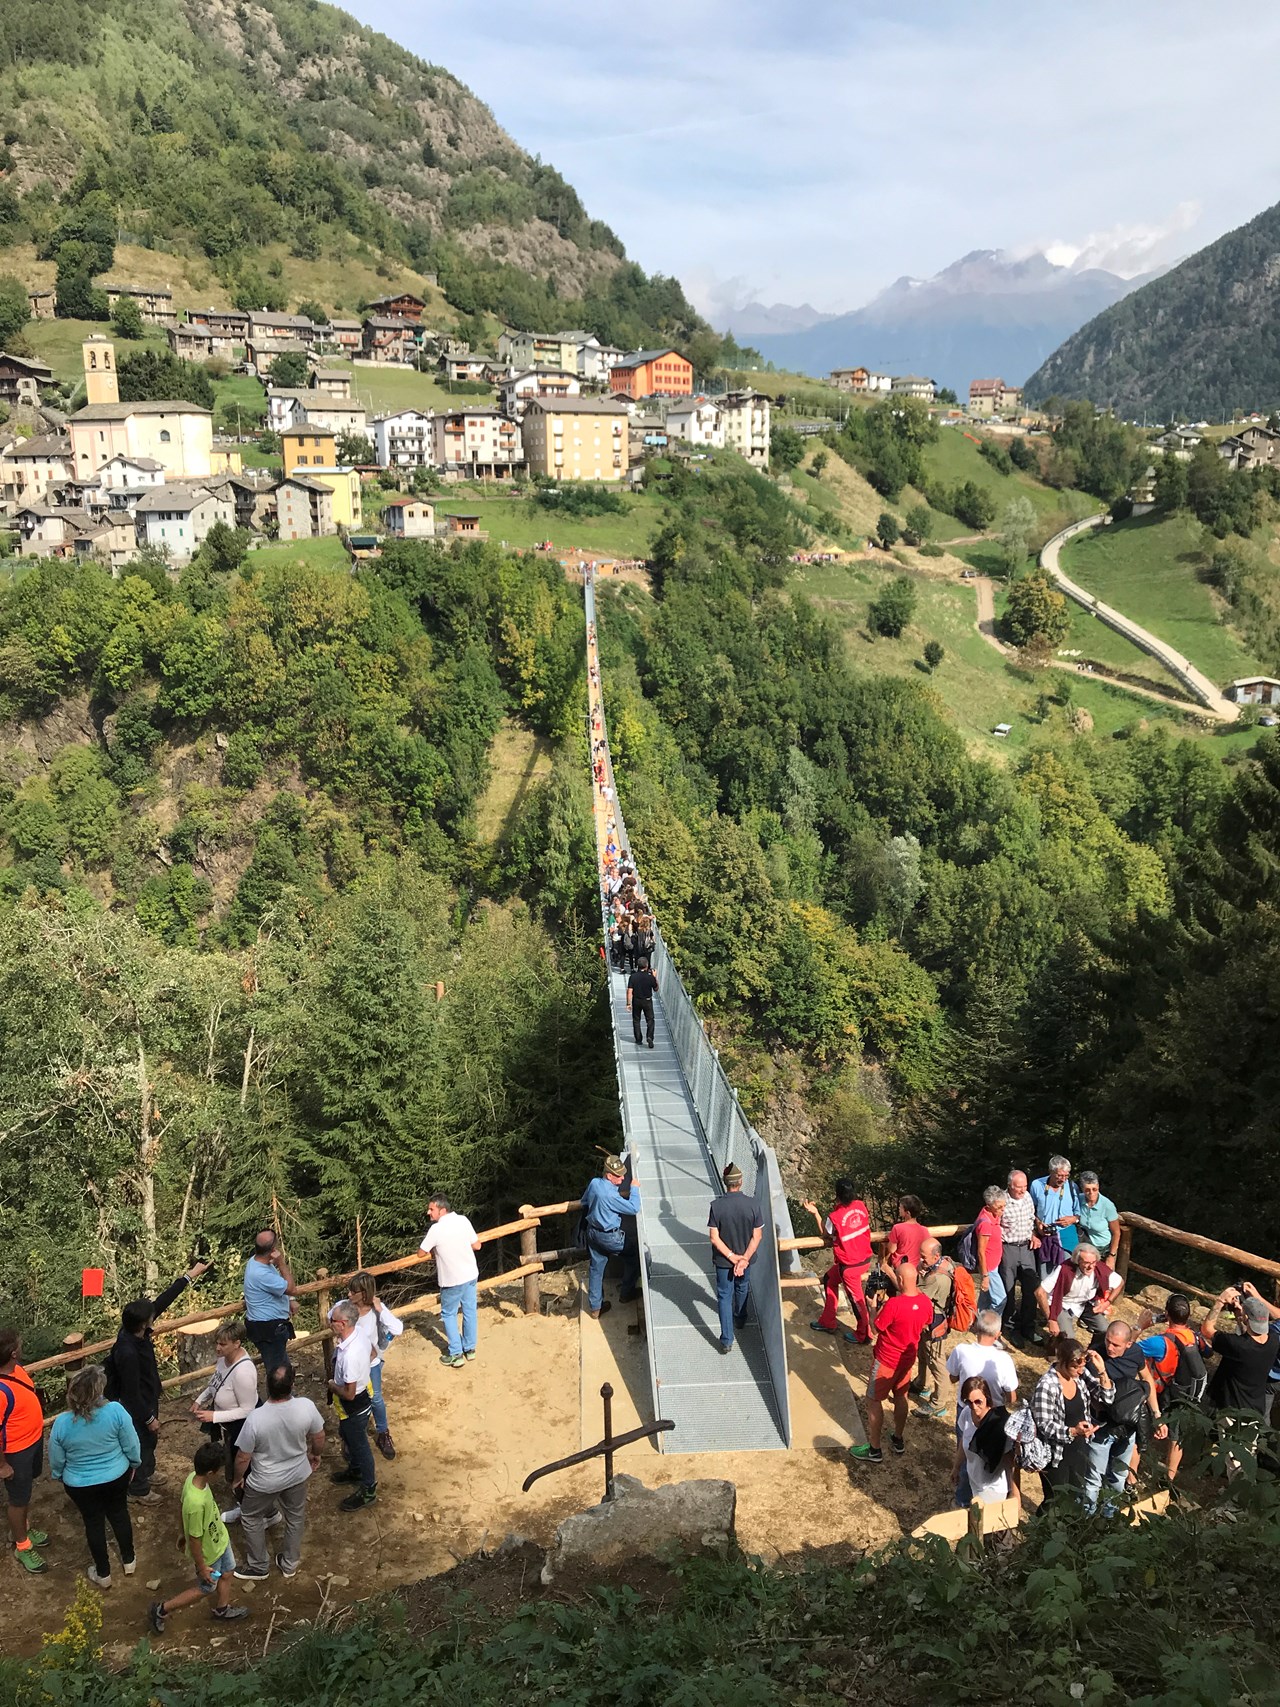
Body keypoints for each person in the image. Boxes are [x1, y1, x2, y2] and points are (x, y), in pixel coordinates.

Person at [105, 1258, 212, 1500]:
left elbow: (162, 1301)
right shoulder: (127, 1352)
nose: (155, 1314)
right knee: (141, 1441)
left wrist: (189, 1275)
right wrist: (149, 1417)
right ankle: (138, 1489)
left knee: (149, 1441)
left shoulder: (134, 1330)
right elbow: (131, 1393)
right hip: (137, 1405)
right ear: (144, 1323)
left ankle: (146, 1473)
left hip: (147, 1396)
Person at [48, 1365, 140, 1589]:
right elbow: (131, 1443)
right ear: (98, 1391)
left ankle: (103, 1573)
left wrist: (59, 1475)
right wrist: (134, 1464)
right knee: (119, 1514)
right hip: (116, 1475)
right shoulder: (116, 1411)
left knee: (93, 1523)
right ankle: (129, 1561)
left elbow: (56, 1459)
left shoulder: (61, 1423)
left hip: (79, 1483)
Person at [232, 1364, 326, 1581]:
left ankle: (258, 1565)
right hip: (297, 1474)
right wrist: (316, 1455)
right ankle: (289, 1563)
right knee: (295, 1517)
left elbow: (243, 1457)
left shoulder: (256, 1418)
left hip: (265, 1480)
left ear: (267, 1387)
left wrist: (238, 1479)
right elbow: (319, 1436)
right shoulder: (306, 1406)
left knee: (250, 1515)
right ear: (292, 1385)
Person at [147, 1441, 249, 1633]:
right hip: (209, 1553)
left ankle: (222, 1609)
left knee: (228, 1572)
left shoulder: (193, 1478)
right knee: (206, 1587)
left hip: (220, 1540)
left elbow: (180, 1507)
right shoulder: (196, 1503)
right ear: (211, 1472)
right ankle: (161, 1610)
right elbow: (195, 1538)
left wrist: (181, 1532)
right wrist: (202, 1567)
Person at [850, 1264, 934, 1465]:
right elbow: (925, 1324)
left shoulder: (894, 1305)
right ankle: (897, 1438)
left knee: (873, 1400)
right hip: (907, 1359)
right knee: (901, 1396)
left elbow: (876, 1327)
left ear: (901, 1280)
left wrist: (872, 1308)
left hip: (886, 1360)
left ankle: (874, 1449)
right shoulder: (925, 1302)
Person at [1087, 1321, 1166, 1511]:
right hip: (1102, 1428)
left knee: (1118, 1476)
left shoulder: (1135, 1352)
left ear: (1128, 1344)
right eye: (1108, 1342)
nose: (1110, 1348)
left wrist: (1157, 1415)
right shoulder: (1096, 1356)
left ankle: (1109, 1516)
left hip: (1129, 1427)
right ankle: (1085, 1521)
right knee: (1093, 1479)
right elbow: (1094, 1396)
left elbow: (1147, 1379)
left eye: (1116, 1345)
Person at [942, 1310, 1019, 1502]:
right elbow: (1011, 1396)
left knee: (967, 1450)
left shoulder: (961, 1350)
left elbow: (952, 1377)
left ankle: (962, 1499)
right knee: (990, 1460)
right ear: (998, 1334)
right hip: (995, 1416)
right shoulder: (1003, 1359)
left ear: (976, 1328)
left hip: (965, 1409)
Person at [1030, 1337, 1114, 1509]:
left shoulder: (1081, 1376)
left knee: (1074, 1497)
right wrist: (1073, 1431)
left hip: (1079, 1450)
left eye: (1082, 1366)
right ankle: (1040, 1534)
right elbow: (1044, 1424)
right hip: (1055, 1454)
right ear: (1062, 1362)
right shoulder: (1047, 1385)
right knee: (1055, 1501)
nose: (1079, 1370)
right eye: (1075, 1367)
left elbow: (1107, 1397)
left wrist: (1102, 1372)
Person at [190, 1320, 259, 1496]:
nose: (218, 1348)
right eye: (217, 1343)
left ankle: (246, 1496)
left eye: (223, 1344)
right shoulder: (223, 1359)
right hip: (228, 1422)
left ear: (237, 1344)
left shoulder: (243, 1372)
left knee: (243, 1461)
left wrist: (214, 1417)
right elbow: (216, 1383)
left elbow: (248, 1409)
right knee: (231, 1456)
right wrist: (200, 1399)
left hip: (241, 1425)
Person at [0, 1328, 48, 1574]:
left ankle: (23, 1527)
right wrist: (2, 1465)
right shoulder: (0, 1390)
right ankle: (22, 1545)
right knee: (18, 1500)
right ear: (14, 1353)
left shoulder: (16, 1370)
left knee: (25, 1493)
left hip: (32, 1442)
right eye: (20, 1345)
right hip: (16, 1452)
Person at [802, 1181, 873, 1343]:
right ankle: (828, 1321)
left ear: (838, 1195)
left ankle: (864, 1335)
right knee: (830, 1279)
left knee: (857, 1301)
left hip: (850, 1265)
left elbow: (826, 1233)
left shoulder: (835, 1217)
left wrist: (815, 1213)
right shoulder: (861, 1206)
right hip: (864, 1258)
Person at [1198, 1283, 1279, 1421]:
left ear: (1247, 1318)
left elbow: (1206, 1329)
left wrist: (1220, 1301)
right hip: (1254, 1411)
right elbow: (1252, 1337)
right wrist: (1240, 1316)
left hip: (1230, 1411)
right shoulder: (1274, 1341)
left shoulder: (1235, 1345)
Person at [418, 1195, 482, 1367]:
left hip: (451, 1279)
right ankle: (470, 1349)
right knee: (469, 1311)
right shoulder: (463, 1220)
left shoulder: (436, 1230)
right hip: (470, 1274)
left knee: (448, 1314)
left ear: (442, 1210)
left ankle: (456, 1353)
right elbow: (477, 1245)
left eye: (432, 1209)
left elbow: (421, 1252)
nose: (428, 1212)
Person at [346, 1271, 404, 1459]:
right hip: (352, 1364)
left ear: (364, 1293)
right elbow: (332, 1319)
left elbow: (397, 1329)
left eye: (353, 1291)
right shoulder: (347, 1308)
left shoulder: (377, 1311)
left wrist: (380, 1310)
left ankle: (382, 1433)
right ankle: (351, 1436)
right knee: (351, 1398)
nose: (348, 1294)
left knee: (376, 1398)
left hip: (372, 1364)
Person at [707, 1163, 764, 1354]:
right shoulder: (753, 1205)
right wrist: (743, 1259)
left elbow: (714, 1237)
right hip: (746, 1260)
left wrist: (732, 1257)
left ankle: (726, 1340)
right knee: (742, 1285)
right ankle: (740, 1318)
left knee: (724, 1295)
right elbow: (757, 1236)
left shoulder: (716, 1207)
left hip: (724, 1261)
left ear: (725, 1183)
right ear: (740, 1182)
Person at [326, 1301, 377, 1511]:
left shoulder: (349, 1356)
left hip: (354, 1403)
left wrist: (331, 1385)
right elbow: (373, 1353)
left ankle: (368, 1489)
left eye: (333, 1320)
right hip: (363, 1396)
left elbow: (347, 1393)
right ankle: (355, 1470)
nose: (330, 1323)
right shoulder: (360, 1333)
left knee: (359, 1445)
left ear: (343, 1323)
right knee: (346, 1434)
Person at [579, 1155, 641, 1319]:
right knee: (634, 1258)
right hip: (611, 1237)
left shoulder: (594, 1184)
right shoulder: (611, 1196)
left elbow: (584, 1202)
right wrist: (634, 1188)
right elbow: (634, 1208)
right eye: (619, 1176)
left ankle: (595, 1308)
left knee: (596, 1269)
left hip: (593, 1233)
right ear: (608, 1175)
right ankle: (626, 1293)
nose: (622, 1178)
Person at [1035, 1243, 1123, 1342]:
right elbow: (1040, 1292)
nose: (1090, 1266)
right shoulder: (1064, 1269)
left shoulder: (1100, 1269)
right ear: (1077, 1261)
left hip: (1084, 1304)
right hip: (1062, 1304)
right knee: (1069, 1338)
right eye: (1086, 1263)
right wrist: (1051, 1319)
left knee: (1105, 1330)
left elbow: (1120, 1283)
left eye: (1093, 1262)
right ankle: (1055, 1351)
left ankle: (1094, 1350)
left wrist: (1107, 1302)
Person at [242, 1231, 298, 1380]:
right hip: (268, 1330)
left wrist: (290, 1299)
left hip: (266, 1327)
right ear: (273, 1249)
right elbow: (291, 1287)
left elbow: (281, 1286)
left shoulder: (256, 1262)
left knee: (282, 1367)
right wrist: (281, 1263)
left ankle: (286, 1397)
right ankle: (279, 1400)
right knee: (277, 1374)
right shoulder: (261, 1273)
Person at [953, 1377, 1015, 1507]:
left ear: (987, 1398)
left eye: (978, 1402)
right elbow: (964, 1443)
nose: (974, 1407)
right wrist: (956, 1467)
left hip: (993, 1489)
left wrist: (1014, 1494)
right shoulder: (966, 1414)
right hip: (974, 1481)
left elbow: (1011, 1463)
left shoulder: (999, 1424)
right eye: (969, 1402)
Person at [913, 1238, 956, 1420]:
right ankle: (921, 1383)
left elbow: (916, 1293)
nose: (921, 1260)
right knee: (923, 1353)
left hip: (934, 1323)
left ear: (936, 1255)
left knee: (937, 1362)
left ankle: (938, 1403)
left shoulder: (937, 1278)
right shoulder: (947, 1264)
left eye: (924, 1257)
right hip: (934, 1317)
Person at [998, 1169, 1041, 1347]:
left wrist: (1033, 1234)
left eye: (1024, 1186)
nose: (1022, 1190)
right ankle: (1012, 1328)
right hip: (1008, 1248)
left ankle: (1028, 1327)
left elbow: (1030, 1219)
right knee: (1008, 1291)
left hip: (1027, 1247)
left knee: (1031, 1290)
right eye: (1018, 1188)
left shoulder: (1028, 1197)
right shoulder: (1001, 1201)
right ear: (1010, 1186)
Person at [1030, 1156, 1081, 1274]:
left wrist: (1073, 1219)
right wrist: (1037, 1224)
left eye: (1066, 1175)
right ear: (1051, 1172)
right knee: (1045, 1277)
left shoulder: (1073, 1187)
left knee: (1067, 1274)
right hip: (1045, 1236)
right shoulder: (1037, 1185)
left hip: (1067, 1237)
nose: (1063, 1179)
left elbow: (1079, 1213)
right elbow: (1030, 1209)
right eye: (1059, 1175)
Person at [974, 1185, 1007, 1313]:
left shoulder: (993, 1214)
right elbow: (981, 1252)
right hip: (989, 1268)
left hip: (994, 1265)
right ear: (989, 1205)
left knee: (986, 1298)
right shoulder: (985, 1224)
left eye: (1004, 1206)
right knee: (1000, 1299)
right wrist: (985, 1276)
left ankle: (979, 1323)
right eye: (999, 1207)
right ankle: (992, 1326)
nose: (1002, 1210)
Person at [1076, 1171, 1120, 1261]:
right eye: (1087, 1190)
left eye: (1094, 1189)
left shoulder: (1107, 1205)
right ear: (1082, 1189)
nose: (1091, 1193)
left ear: (1098, 1187)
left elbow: (1116, 1233)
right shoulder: (1078, 1200)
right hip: (1085, 1243)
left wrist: (1112, 1256)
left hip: (1103, 1248)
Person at [886, 1196, 928, 1274]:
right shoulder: (924, 1230)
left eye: (901, 1207)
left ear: (907, 1213)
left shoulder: (897, 1228)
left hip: (902, 1268)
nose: (899, 1208)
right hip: (918, 1268)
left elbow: (891, 1249)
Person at [626, 957, 659, 1047]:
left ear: (638, 965)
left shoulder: (633, 977)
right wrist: (655, 977)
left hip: (636, 1000)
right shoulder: (650, 977)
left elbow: (629, 990)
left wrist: (628, 1003)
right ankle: (649, 1037)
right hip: (647, 1000)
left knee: (636, 1020)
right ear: (647, 965)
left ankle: (638, 1039)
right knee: (650, 1020)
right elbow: (656, 989)